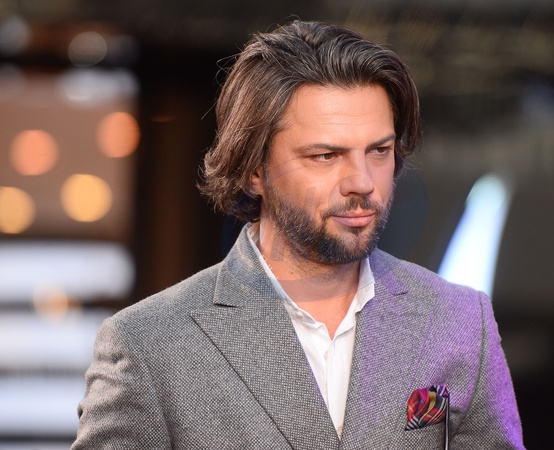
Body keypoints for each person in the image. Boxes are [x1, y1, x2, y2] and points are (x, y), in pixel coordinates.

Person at [73, 20, 524, 449]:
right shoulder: (149, 344)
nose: (362, 181)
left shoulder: (460, 320)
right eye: (326, 156)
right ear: (254, 169)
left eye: (379, 151)